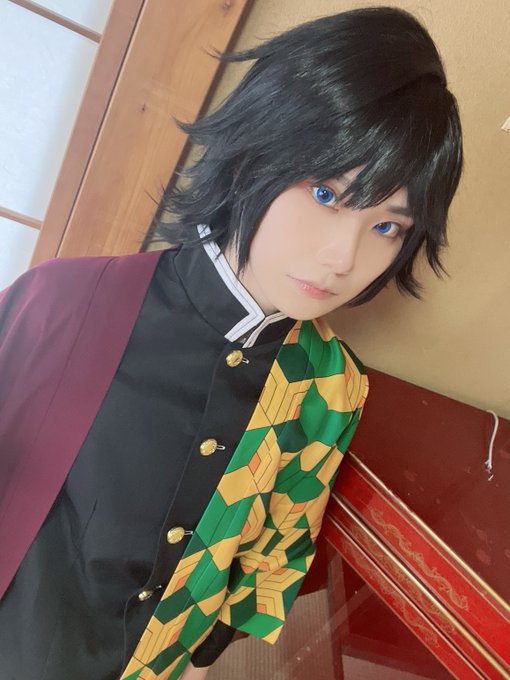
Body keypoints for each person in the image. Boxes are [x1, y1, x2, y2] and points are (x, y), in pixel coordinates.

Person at [0, 6, 462, 680]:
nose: (343, 257)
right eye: (326, 192)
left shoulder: (332, 387)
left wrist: (201, 658)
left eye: (388, 227)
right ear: (253, 158)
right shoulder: (63, 302)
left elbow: (278, 548)